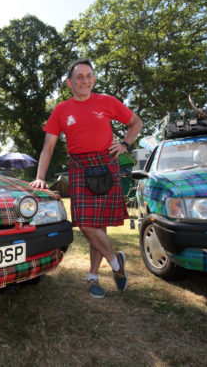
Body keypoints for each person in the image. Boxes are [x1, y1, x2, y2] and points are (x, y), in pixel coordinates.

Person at [30, 58, 143, 299]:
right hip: (80, 167)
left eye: (89, 75)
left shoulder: (107, 102)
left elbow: (136, 122)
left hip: (106, 165)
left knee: (98, 226)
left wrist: (124, 144)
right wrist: (40, 177)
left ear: (93, 79)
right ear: (70, 82)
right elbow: (48, 147)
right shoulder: (62, 109)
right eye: (79, 77)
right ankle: (116, 263)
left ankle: (92, 276)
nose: (85, 80)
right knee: (85, 223)